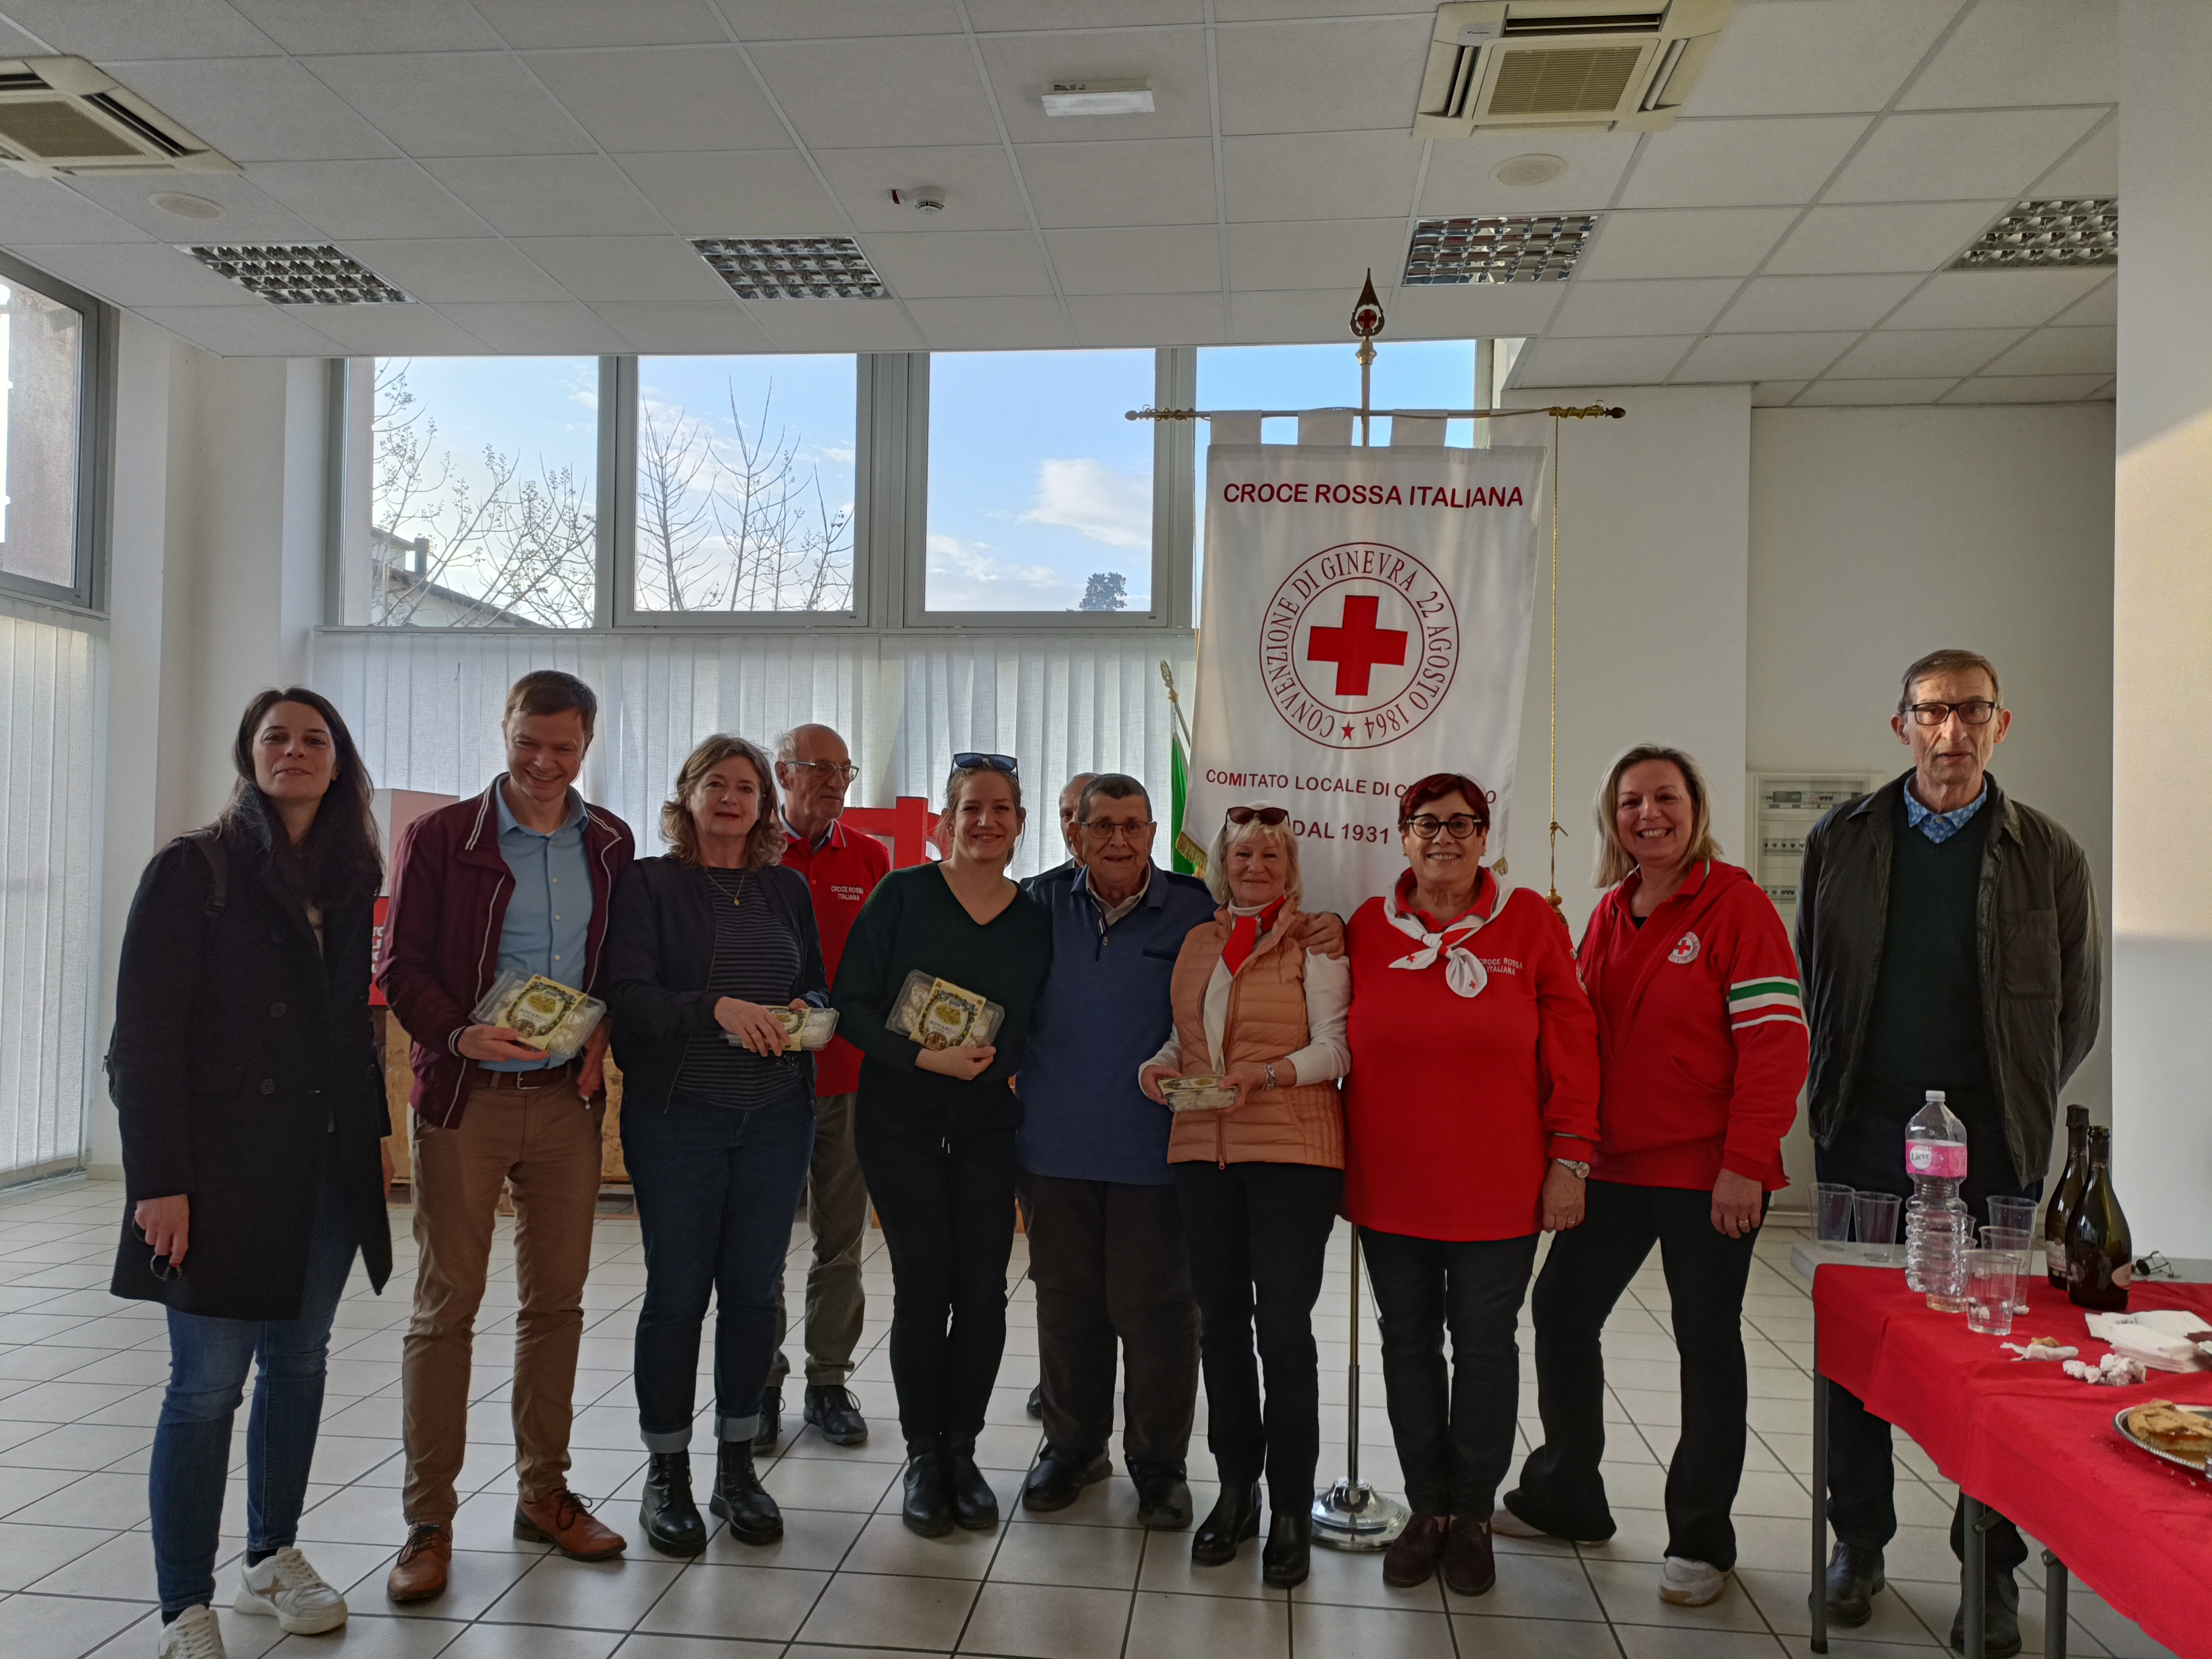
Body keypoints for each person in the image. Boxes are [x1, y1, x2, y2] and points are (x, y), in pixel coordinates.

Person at [1800, 650, 2099, 1658]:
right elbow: (1815, 982)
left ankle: (1989, 1570)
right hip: (1862, 1132)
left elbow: (2075, 1010)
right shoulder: (1838, 840)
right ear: (1900, 726)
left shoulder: (2045, 853)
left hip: (1995, 1150)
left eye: (1970, 711)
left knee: (1991, 1358)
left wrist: (2002, 1100)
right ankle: (1858, 1545)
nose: (1950, 731)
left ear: (1999, 724)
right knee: (1856, 1353)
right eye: (1931, 712)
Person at [110, 689, 395, 1659]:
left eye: (315, 739)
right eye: (276, 737)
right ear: (249, 754)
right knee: (205, 1388)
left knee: (300, 1364)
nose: (296, 752)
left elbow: (346, 1031)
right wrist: (159, 1183)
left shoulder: (353, 876)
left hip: (322, 1171)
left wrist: (371, 1145)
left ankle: (272, 1554)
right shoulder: (196, 869)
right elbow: (142, 1044)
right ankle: (184, 1601)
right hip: (217, 1175)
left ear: (339, 761)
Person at [1500, 746, 1807, 1609]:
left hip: (1712, 1171)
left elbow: (1776, 1045)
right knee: (1561, 1311)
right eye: (1631, 801)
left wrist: (1747, 1163)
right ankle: (1567, 1495)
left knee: (1705, 1346)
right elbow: (1581, 1037)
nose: (1648, 814)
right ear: (1613, 816)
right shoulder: (1609, 910)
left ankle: (1701, 1538)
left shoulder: (1737, 907)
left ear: (1695, 806)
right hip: (1617, 1167)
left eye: (1665, 798)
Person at [377, 670, 636, 1600]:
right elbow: (401, 964)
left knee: (556, 1305)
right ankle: (427, 1521)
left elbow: (611, 965)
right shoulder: (441, 838)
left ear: (586, 747)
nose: (542, 762)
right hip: (465, 1097)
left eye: (562, 748)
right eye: (528, 742)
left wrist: (599, 1033)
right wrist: (458, 1032)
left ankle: (543, 1495)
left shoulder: (609, 842)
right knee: (446, 1306)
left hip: (566, 1104)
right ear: (504, 732)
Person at [1342, 773, 1601, 1599]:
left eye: (1462, 824)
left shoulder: (1530, 924)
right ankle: (1428, 1510)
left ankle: (1476, 1512)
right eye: (1427, 824)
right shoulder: (1365, 930)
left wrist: (1572, 1158)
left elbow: (1574, 1043)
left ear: (1485, 837)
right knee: (1407, 1344)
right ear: (1403, 836)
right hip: (1391, 1184)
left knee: (1484, 1349)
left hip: (1499, 1188)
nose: (1443, 838)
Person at [604, 735, 830, 1556]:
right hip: (680, 1118)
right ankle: (667, 1474)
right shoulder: (650, 884)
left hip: (777, 1118)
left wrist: (809, 1009)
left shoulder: (786, 889)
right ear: (688, 794)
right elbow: (626, 995)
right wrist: (715, 1007)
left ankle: (738, 1467)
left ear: (767, 807)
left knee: (753, 1295)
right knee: (675, 1297)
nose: (732, 799)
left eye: (747, 788)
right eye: (716, 784)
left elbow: (810, 980)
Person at [830, 754, 1054, 1537]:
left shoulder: (1035, 920)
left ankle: (965, 1452)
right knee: (925, 1292)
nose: (985, 821)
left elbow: (1038, 1025)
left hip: (991, 1128)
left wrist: (1011, 1067)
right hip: (900, 1124)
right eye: (970, 808)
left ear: (1021, 824)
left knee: (985, 1295)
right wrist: (926, 1058)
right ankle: (924, 1457)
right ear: (944, 824)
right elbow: (851, 1007)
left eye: (1000, 809)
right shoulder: (902, 896)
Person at [1140, 802, 1351, 1589]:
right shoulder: (1199, 941)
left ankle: (1292, 1505)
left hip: (1294, 1153)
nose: (1254, 866)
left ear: (1291, 868)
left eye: (1270, 855)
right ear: (1221, 865)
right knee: (1220, 1326)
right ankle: (1236, 1492)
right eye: (1241, 855)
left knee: (1285, 1331)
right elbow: (1186, 1041)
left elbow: (1337, 1047)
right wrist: (1154, 1072)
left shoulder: (1317, 942)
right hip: (1204, 1152)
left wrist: (1263, 1076)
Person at [1017, 775, 1216, 1529]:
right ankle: (1072, 1448)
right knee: (1068, 1309)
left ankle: (1160, 1466)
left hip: (1159, 1156)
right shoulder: (1035, 905)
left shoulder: (1197, 907)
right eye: (1103, 827)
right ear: (1075, 834)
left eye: (1134, 826)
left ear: (1154, 830)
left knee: (1161, 1315)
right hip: (1053, 1147)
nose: (1119, 841)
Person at [761, 722, 890, 1453]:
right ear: (783, 772)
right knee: (762, 1244)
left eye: (845, 769)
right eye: (819, 768)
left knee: (840, 1242)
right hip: (765, 1081)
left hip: (848, 1082)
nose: (836, 781)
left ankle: (829, 1380)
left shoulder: (871, 859)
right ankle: (761, 1380)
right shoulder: (750, 848)